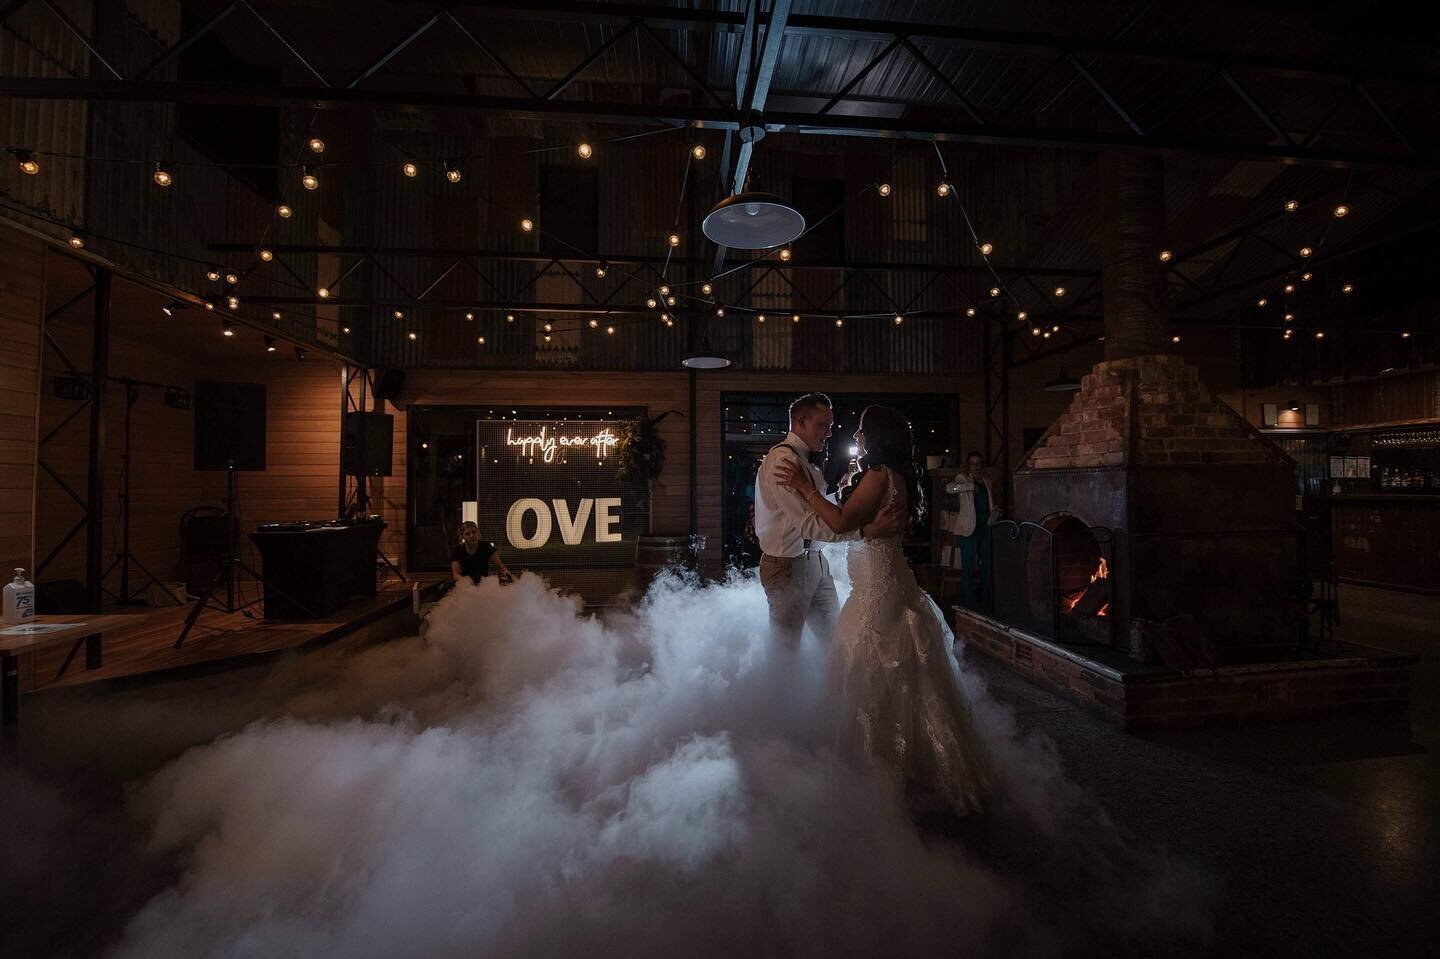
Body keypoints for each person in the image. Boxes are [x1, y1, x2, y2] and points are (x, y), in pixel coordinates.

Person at [775, 405, 991, 815]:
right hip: (886, 579)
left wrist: (805, 490)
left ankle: (881, 771)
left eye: (861, 430)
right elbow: (856, 518)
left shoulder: (879, 475)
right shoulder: (895, 475)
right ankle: (912, 764)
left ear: (877, 435)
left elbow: (839, 523)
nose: (855, 434)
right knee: (903, 673)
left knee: (871, 666)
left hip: (877, 587)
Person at [753, 393, 903, 649]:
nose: (830, 433)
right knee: (786, 650)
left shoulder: (805, 462)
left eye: (831, 426)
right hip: (787, 567)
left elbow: (814, 511)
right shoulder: (783, 463)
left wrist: (837, 493)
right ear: (801, 422)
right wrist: (866, 531)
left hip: (817, 564)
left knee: (835, 643)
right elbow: (809, 525)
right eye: (823, 425)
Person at [944, 451, 1002, 610]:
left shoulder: (987, 481)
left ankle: (986, 602)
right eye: (972, 464)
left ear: (982, 465)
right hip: (969, 529)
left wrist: (994, 511)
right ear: (968, 466)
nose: (976, 467)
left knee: (987, 567)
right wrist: (970, 486)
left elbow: (988, 502)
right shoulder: (963, 479)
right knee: (968, 568)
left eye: (978, 464)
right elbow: (949, 488)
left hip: (985, 527)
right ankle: (969, 604)